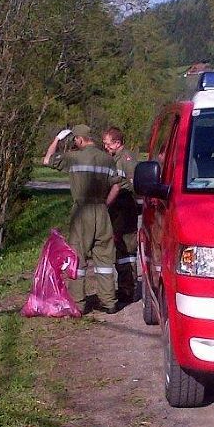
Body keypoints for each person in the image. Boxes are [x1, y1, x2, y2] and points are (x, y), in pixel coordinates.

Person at [43, 124, 121, 314]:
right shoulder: (107, 159)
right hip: (101, 210)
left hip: (82, 210)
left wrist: (57, 140)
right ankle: (109, 302)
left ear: (79, 139)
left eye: (75, 140)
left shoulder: (73, 157)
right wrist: (105, 205)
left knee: (77, 258)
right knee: (104, 259)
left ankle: (78, 303)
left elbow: (47, 160)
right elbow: (117, 186)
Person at [101, 126, 140, 304]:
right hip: (117, 208)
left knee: (126, 248)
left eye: (107, 144)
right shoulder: (113, 159)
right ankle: (124, 285)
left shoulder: (127, 160)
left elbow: (136, 185)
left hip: (125, 206)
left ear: (117, 143)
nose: (105, 147)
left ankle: (127, 288)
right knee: (118, 246)